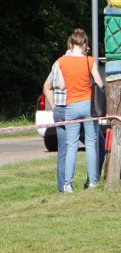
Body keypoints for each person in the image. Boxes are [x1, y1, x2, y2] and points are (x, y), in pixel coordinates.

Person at [56, 28, 104, 193]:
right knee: (91, 143)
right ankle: (93, 182)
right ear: (85, 45)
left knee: (71, 146)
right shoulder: (89, 61)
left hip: (71, 105)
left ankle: (67, 185)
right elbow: (99, 83)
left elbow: (61, 86)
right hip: (88, 104)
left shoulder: (62, 61)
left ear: (71, 44)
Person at [43, 49, 70, 192]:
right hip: (73, 110)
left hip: (60, 110)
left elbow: (46, 87)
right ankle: (92, 182)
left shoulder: (57, 63)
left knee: (63, 151)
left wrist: (54, 107)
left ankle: (62, 188)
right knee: (96, 144)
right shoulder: (74, 63)